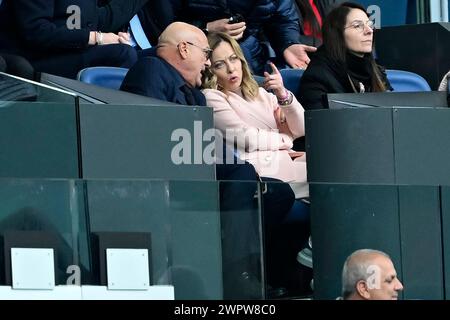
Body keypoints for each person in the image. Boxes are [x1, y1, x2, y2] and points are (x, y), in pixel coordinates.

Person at [121, 22, 296, 299]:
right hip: (166, 176)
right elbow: (148, 134)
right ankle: (236, 275)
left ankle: (229, 264)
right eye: (205, 54)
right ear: (183, 49)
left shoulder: (193, 92)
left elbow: (208, 146)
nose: (206, 63)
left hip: (197, 170)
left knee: (277, 193)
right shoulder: (151, 69)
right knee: (242, 173)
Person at [202, 32, 309, 201]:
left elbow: (302, 128)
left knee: (336, 169)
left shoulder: (261, 93)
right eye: (220, 64)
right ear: (210, 70)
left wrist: (283, 95)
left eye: (233, 58)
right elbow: (247, 138)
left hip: (288, 161)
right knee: (332, 178)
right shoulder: (212, 96)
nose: (231, 68)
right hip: (265, 171)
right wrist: (286, 138)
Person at [135, 0, 317, 75]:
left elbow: (282, 16)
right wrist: (204, 31)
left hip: (250, 61)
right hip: (195, 66)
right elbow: (161, 28)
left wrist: (288, 43)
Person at [0, 0, 148, 78]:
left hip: (70, 50)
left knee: (150, 59)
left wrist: (115, 37)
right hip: (34, 58)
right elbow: (36, 31)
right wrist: (97, 37)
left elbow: (92, 21)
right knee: (122, 55)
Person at [298, 2, 391, 110]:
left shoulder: (377, 72)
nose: (369, 31)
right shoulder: (318, 76)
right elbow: (319, 124)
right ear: (337, 34)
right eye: (357, 26)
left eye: (370, 25)